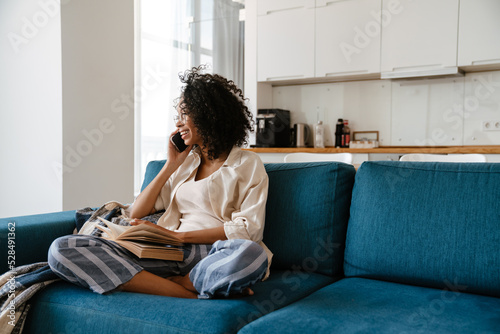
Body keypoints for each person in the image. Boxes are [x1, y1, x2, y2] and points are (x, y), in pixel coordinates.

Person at [48, 66, 272, 299]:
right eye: (178, 116)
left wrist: (179, 236)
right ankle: (187, 289)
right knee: (62, 249)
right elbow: (137, 210)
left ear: (208, 115)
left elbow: (248, 231)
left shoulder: (246, 163)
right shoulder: (186, 164)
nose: (178, 124)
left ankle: (171, 281)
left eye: (184, 115)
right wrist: (170, 165)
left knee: (253, 255)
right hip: (166, 251)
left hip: (212, 252)